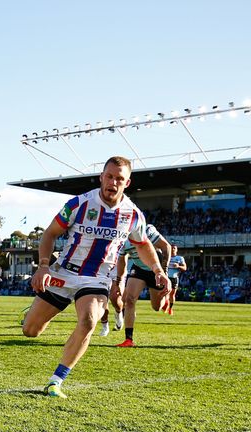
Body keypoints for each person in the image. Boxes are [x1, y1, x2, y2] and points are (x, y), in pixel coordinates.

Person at [23, 156, 171, 399]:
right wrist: (43, 266)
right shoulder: (78, 205)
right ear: (101, 177)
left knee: (89, 321)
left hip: (97, 278)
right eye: (109, 176)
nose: (113, 182)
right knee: (31, 330)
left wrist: (158, 270)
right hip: (64, 272)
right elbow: (50, 234)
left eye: (119, 178)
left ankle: (56, 381)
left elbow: (143, 245)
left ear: (127, 182)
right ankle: (33, 312)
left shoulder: (132, 214)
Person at [110, 224, 172, 348]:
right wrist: (118, 281)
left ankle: (165, 299)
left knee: (156, 307)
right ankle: (128, 339)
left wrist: (163, 271)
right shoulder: (121, 239)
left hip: (155, 270)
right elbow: (122, 261)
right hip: (138, 269)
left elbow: (166, 247)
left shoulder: (148, 230)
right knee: (129, 299)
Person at [166, 244, 187, 314]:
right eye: (171, 248)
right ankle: (165, 304)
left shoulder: (180, 258)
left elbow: (185, 268)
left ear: (176, 249)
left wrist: (178, 266)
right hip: (166, 277)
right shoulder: (166, 257)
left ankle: (170, 308)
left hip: (174, 278)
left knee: (172, 294)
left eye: (174, 248)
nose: (172, 249)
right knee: (164, 292)